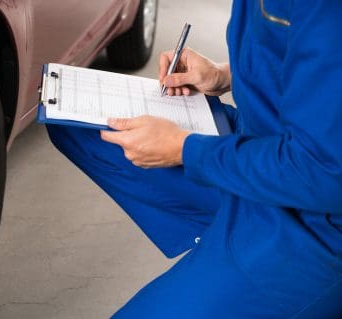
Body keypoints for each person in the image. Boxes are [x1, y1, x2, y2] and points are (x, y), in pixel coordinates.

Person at [46, 0, 342, 317]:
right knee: (75, 123)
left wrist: (183, 149)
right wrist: (224, 75)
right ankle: (219, 251)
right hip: (259, 154)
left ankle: (238, 265)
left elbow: (324, 172)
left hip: (313, 229)